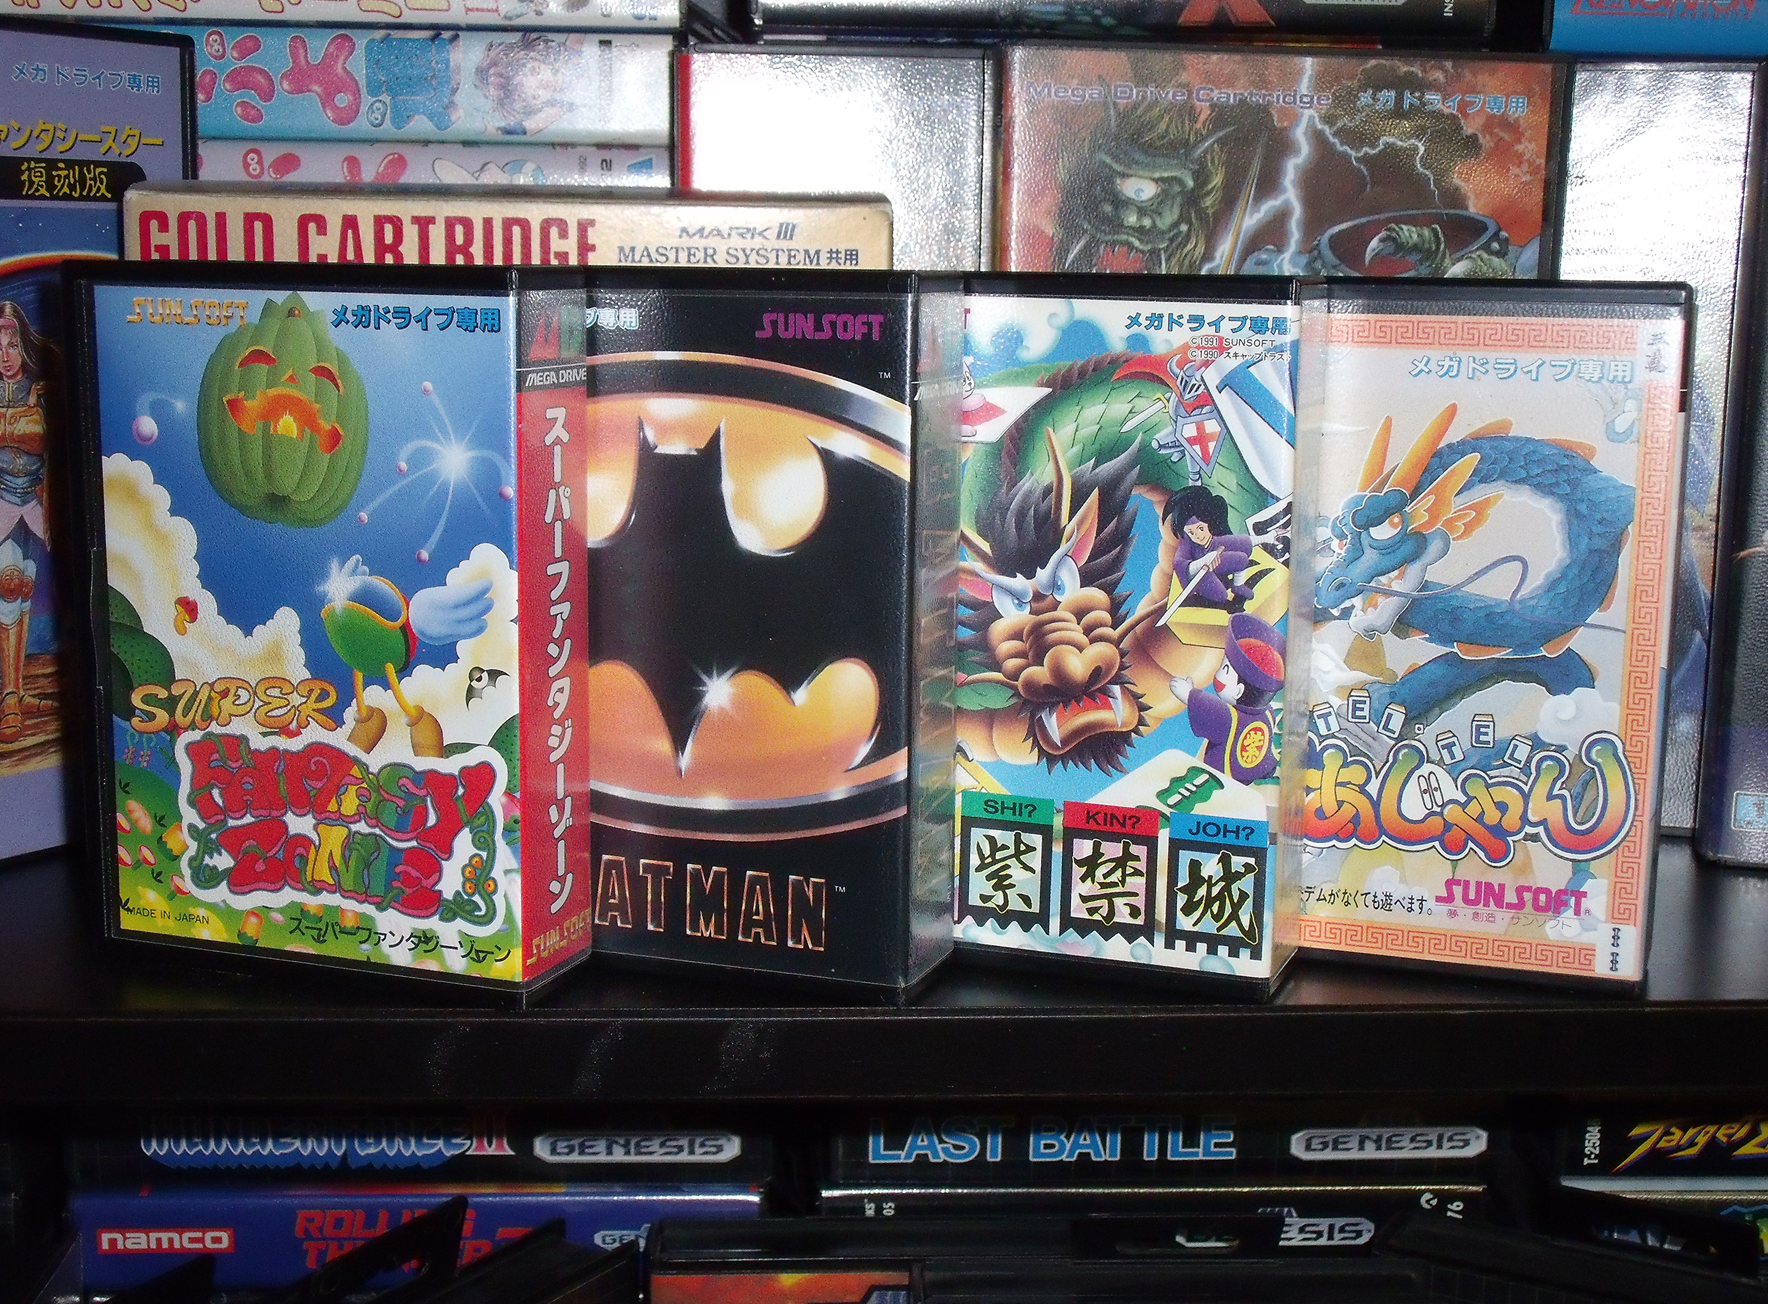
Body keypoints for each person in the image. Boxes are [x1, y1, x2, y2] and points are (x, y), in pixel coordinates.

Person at [0, 302, 56, 744]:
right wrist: (20, 427)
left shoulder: (38, 388)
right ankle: (10, 697)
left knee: (23, 591)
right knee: (8, 584)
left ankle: (15, 690)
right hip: (1, 500)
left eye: (12, 344)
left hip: (34, 503)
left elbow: (40, 439)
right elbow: (30, 433)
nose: (5, 355)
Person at [1171, 613, 1284, 783]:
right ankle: (1265, 770)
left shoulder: (1228, 718)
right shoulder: (1268, 713)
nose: (1218, 673)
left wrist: (1188, 693)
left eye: (1225, 669)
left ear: (1238, 691)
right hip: (1257, 769)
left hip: (1226, 779)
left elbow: (1207, 707)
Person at [1163, 484, 1255, 608]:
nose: (1197, 535)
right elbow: (1179, 564)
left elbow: (1237, 541)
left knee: (1242, 557)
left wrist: (1268, 537)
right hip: (1200, 573)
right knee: (1220, 595)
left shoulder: (1213, 527)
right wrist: (1204, 561)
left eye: (1200, 528)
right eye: (1191, 532)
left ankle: (1238, 586)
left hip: (1216, 561)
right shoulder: (1187, 541)